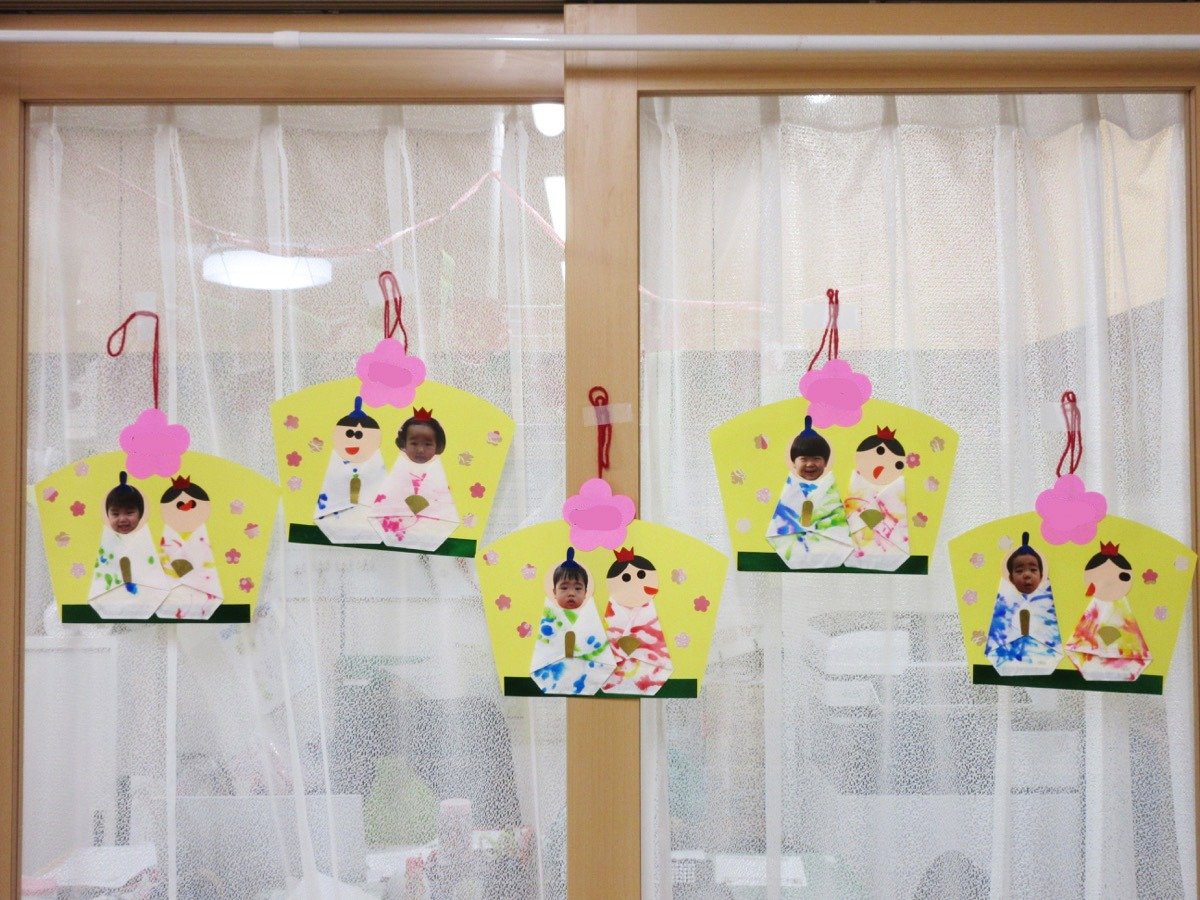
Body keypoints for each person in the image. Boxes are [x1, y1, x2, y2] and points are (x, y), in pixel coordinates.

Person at [765, 415, 853, 569]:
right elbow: (782, 521)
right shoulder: (790, 489)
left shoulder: (830, 488)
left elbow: (838, 519)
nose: (810, 464)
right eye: (804, 459)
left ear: (825, 462)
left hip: (828, 547)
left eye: (817, 458)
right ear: (794, 462)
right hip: (794, 544)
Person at [370, 407, 460, 552]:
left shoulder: (439, 472)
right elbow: (389, 497)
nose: (420, 450)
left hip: (430, 530)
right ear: (404, 444)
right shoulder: (397, 470)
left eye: (428, 444)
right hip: (396, 526)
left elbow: (443, 503)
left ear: (437, 446)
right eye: (414, 443)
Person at [530, 548, 615, 696]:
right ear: (554, 592)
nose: (571, 593)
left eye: (578, 588)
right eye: (564, 588)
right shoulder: (550, 617)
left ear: (586, 592)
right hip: (554, 671)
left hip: (586, 671)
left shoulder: (589, 614)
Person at [88, 471, 171, 620]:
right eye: (115, 514)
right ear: (107, 515)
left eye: (129, 512)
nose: (122, 519)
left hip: (145, 600)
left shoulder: (146, 539)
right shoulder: (106, 541)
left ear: (140, 514)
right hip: (112, 601)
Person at [1064, 541, 1151, 681]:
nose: (1110, 582)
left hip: (1126, 661)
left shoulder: (1122, 608)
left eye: (1122, 576)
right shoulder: (1094, 609)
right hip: (1089, 658)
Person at [985, 533, 1063, 677]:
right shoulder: (1004, 605)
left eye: (1033, 570)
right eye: (1019, 571)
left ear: (1042, 575)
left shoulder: (1047, 604)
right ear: (1010, 578)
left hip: (1045, 659)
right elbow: (998, 639)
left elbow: (1051, 635)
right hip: (1007, 658)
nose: (1027, 575)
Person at [314, 396, 389, 544]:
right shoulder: (334, 462)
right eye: (349, 434)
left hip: (371, 520)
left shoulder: (377, 464)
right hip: (333, 517)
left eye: (359, 435)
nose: (354, 440)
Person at [602, 548, 673, 696]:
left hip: (652, 670)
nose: (635, 583)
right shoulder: (611, 612)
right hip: (612, 673)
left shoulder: (652, 611)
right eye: (626, 578)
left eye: (641, 575)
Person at [843, 426, 910, 571]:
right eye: (879, 451)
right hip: (857, 550)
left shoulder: (897, 487)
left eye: (897, 464)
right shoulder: (857, 485)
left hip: (893, 554)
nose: (883, 464)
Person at [156, 476, 223, 620]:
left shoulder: (206, 535)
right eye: (179, 505)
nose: (185, 509)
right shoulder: (166, 537)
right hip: (169, 594)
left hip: (205, 592)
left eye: (192, 504)